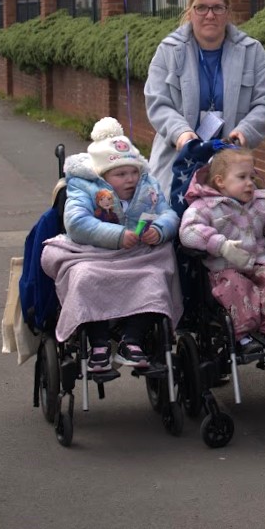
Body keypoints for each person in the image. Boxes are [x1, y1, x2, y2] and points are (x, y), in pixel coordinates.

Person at [59, 118, 181, 370]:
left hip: (139, 255)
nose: (130, 179)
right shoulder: (85, 187)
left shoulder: (147, 187)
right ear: (103, 176)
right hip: (93, 254)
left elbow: (168, 213)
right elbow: (75, 222)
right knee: (84, 277)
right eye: (121, 174)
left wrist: (159, 230)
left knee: (155, 278)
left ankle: (132, 340)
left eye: (134, 171)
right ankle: (99, 342)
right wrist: (116, 235)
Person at [144, 0, 265, 192]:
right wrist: (181, 133)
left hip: (230, 170)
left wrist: (246, 131)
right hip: (177, 167)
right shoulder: (167, 51)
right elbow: (157, 102)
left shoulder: (252, 52)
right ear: (190, 12)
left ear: (228, 12)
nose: (210, 15)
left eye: (217, 7)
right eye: (201, 8)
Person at [179, 147, 265, 357]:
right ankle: (243, 335)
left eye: (252, 176)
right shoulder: (205, 207)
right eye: (242, 177)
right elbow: (189, 232)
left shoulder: (258, 202)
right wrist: (219, 244)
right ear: (220, 181)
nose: (250, 182)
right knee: (235, 286)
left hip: (258, 262)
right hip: (225, 268)